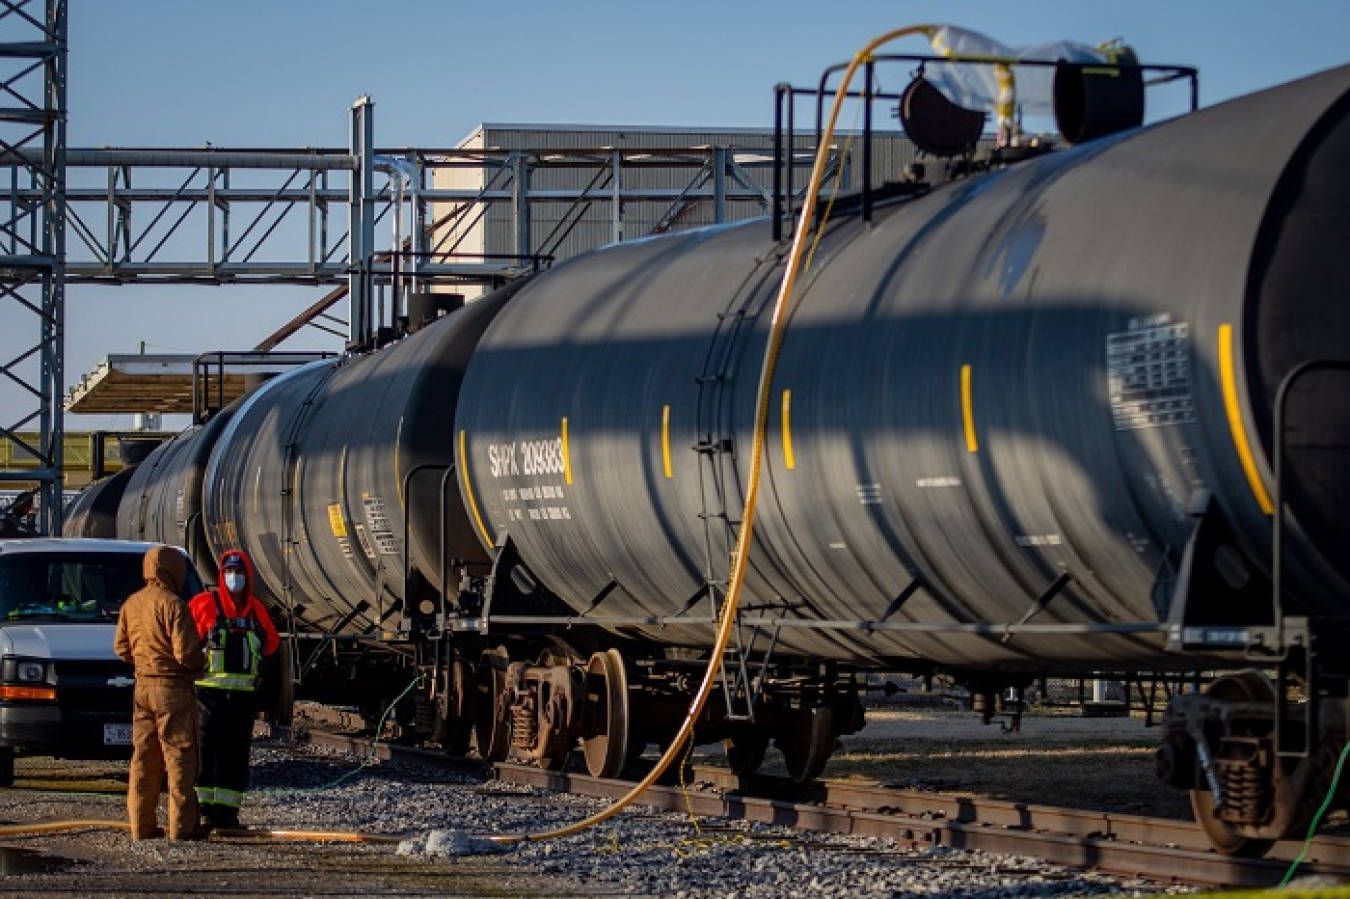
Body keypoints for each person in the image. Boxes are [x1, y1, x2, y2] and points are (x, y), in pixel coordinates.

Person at [113, 545, 208, 841]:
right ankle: (183, 827)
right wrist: (200, 665)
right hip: (173, 690)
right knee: (180, 759)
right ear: (173, 570)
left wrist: (143, 663)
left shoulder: (131, 604)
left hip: (142, 689)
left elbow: (121, 648)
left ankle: (141, 827)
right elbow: (186, 654)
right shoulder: (174, 605)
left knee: (144, 759)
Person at [189, 549, 280, 830]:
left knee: (235, 756)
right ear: (220, 574)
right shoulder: (204, 604)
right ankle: (203, 811)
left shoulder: (256, 610)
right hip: (207, 695)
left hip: (242, 699)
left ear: (247, 577)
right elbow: (185, 640)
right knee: (205, 753)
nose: (234, 578)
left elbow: (272, 644)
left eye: (239, 573)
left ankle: (227, 815)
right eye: (229, 572)